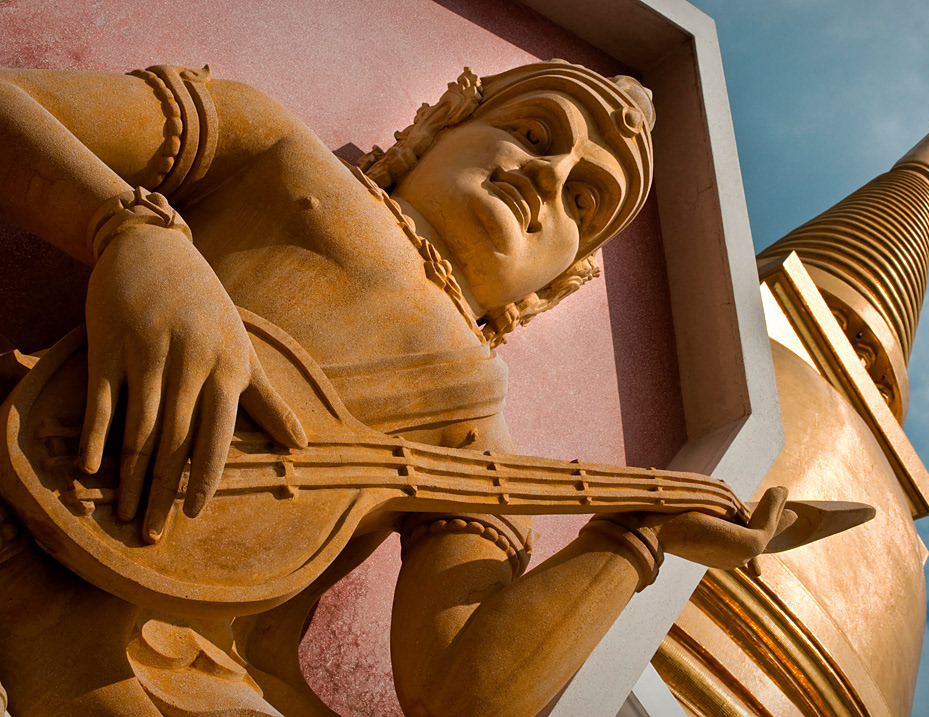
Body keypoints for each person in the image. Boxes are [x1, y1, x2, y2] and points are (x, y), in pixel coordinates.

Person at [0, 60, 790, 716]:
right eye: (534, 132)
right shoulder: (275, 153)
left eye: (583, 200)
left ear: (560, 283)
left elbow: (463, 698)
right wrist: (129, 232)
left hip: (185, 665)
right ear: (435, 127)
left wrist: (636, 537)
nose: (548, 175)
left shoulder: (476, 434)